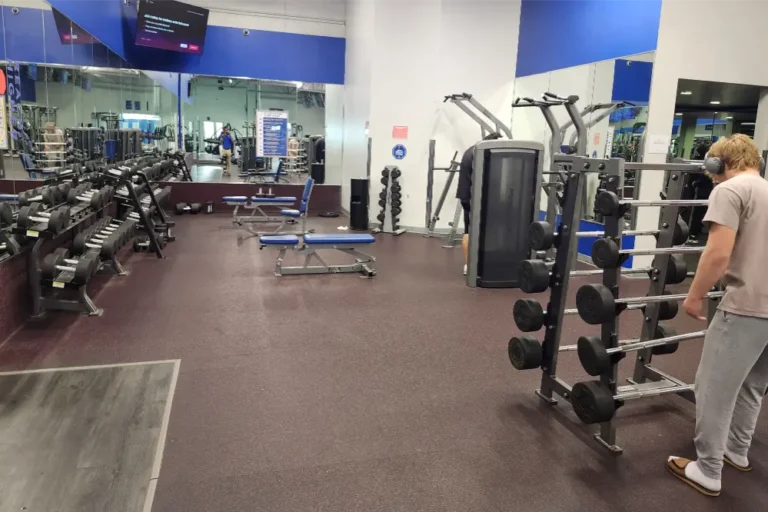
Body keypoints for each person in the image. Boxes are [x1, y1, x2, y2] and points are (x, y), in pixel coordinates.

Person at [667, 134, 768, 497]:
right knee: (753, 385)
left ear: (718, 163)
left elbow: (717, 254)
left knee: (712, 389)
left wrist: (693, 297)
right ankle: (736, 452)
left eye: (711, 166)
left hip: (746, 305)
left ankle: (707, 469)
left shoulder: (729, 190)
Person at [456, 132, 502, 275]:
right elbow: (481, 177)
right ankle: (469, 265)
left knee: (471, 230)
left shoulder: (472, 149)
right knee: (470, 232)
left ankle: (471, 264)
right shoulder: (478, 153)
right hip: (472, 198)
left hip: (467, 196)